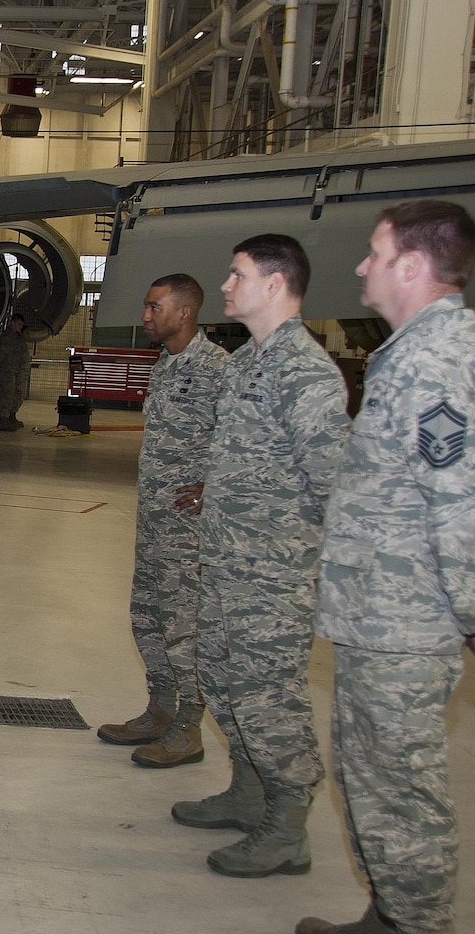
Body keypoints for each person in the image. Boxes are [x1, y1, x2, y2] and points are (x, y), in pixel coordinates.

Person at [296, 200, 475, 934]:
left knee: (404, 794)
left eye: (373, 252)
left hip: (407, 623)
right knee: (366, 779)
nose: (361, 268)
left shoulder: (437, 360)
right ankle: (387, 924)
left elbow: (461, 502)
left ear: (414, 265)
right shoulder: (417, 354)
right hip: (379, 616)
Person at [172, 234, 349, 878]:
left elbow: (337, 484)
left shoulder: (306, 373)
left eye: (236, 273)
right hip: (225, 565)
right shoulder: (246, 362)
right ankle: (248, 795)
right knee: (222, 682)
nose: (224, 285)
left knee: (269, 697)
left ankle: (286, 829)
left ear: (274, 284)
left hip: (272, 577)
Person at [97, 275, 227, 768]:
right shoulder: (168, 365)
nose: (145, 316)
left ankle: (188, 730)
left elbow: (243, 441)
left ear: (184, 312)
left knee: (182, 625)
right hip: (153, 519)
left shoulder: (218, 368)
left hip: (187, 528)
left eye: (154, 307)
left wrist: (213, 487)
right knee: (147, 615)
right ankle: (160, 710)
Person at [0, 313, 31, 431]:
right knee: (7, 395)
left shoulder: (17, 337)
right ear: (12, 323)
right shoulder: (6, 337)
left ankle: (11, 416)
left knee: (18, 394)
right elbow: (2, 356)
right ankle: (3, 420)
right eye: (18, 324)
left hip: (16, 371)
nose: (20, 327)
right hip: (7, 371)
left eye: (21, 325)